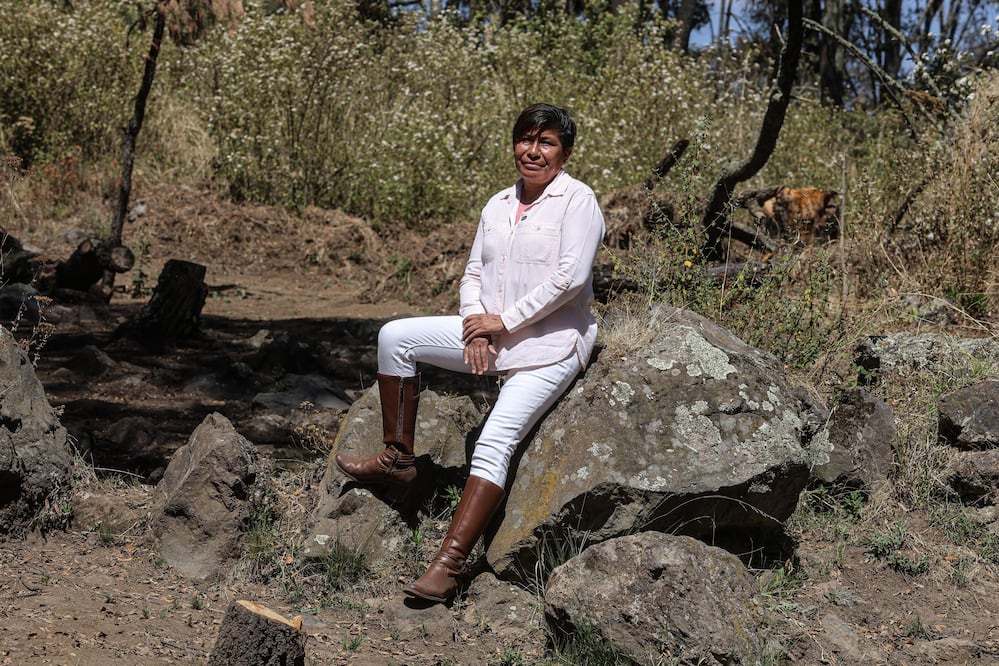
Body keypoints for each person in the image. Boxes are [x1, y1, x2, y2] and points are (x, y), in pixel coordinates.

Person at [334, 103, 605, 604]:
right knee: (395, 337)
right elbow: (474, 274)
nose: (533, 150)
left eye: (546, 142)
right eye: (525, 139)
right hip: (492, 334)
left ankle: (449, 567)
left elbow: (571, 277)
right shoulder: (497, 204)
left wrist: (504, 321)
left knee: (494, 441)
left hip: (550, 346)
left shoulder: (578, 201)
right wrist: (475, 329)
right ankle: (397, 460)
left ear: (565, 153)